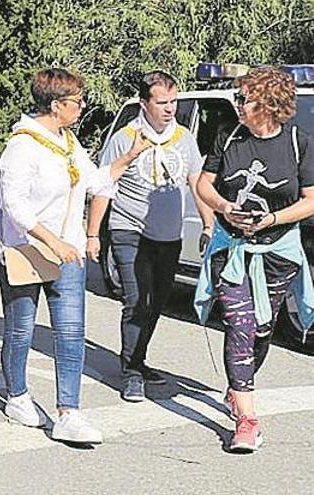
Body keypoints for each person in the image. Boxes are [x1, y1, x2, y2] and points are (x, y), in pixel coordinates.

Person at [0, 68, 132, 445]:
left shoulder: (68, 142)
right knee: (21, 329)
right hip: (24, 250)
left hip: (66, 251)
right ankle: (17, 396)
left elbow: (95, 182)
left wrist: (130, 156)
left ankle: (70, 412)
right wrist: (52, 241)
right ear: (55, 105)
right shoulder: (22, 146)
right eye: (76, 101)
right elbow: (14, 206)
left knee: (71, 331)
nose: (82, 106)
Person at [194, 66, 314, 453]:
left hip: (278, 252)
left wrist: (272, 219)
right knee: (241, 324)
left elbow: (310, 201)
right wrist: (226, 209)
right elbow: (202, 184)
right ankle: (247, 420)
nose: (237, 104)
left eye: (243, 98)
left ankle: (237, 385)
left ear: (267, 103)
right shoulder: (228, 136)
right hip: (231, 249)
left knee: (262, 328)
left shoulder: (299, 142)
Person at [86, 70, 214, 402]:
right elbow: (104, 185)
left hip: (168, 234)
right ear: (145, 103)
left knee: (157, 301)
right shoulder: (124, 138)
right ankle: (129, 373)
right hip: (129, 229)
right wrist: (92, 235)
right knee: (136, 300)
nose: (169, 108)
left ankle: (138, 359)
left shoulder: (184, 138)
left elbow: (197, 183)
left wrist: (208, 224)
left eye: (173, 101)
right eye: (162, 102)